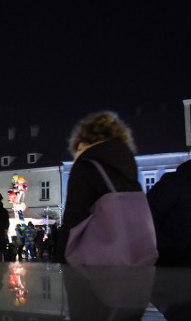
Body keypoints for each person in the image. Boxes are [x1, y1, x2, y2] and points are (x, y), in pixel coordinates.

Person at [53, 111, 143, 265]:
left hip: (94, 266)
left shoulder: (86, 166)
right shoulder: (126, 165)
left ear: (83, 143)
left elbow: (74, 217)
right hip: (133, 259)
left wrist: (60, 258)